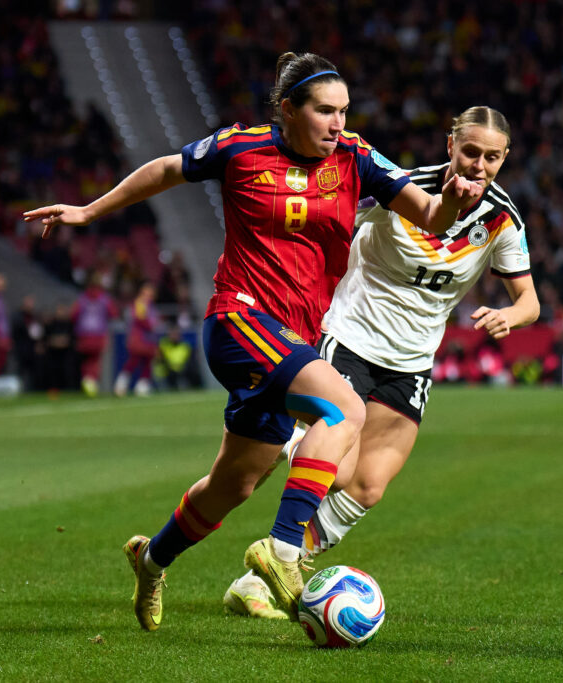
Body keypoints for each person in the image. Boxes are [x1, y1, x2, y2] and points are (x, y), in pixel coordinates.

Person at [24, 51, 481, 630]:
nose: (338, 123)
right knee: (345, 409)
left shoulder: (357, 158)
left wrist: (455, 202)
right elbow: (167, 168)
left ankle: (152, 558)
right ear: (288, 110)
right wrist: (90, 212)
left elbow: (432, 217)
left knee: (235, 482)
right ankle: (285, 550)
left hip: (294, 338)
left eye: (343, 111)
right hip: (239, 319)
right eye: (324, 111)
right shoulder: (240, 148)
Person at [222, 106, 541, 618]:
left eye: (493, 157)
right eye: (471, 152)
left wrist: (512, 315)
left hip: (412, 360)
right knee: (339, 466)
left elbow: (530, 301)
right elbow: (327, 218)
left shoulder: (502, 219)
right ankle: (275, 435)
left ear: (505, 159)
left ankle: (256, 581)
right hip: (349, 337)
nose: (480, 164)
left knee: (367, 485)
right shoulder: (399, 190)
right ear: (450, 146)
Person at [71, 273, 118, 396]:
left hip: (84, 335)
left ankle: (87, 380)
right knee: (95, 360)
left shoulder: (82, 298)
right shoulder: (104, 299)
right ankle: (90, 382)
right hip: (98, 334)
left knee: (86, 360)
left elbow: (74, 315)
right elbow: (113, 313)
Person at [113, 281, 160, 397]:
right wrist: (151, 325)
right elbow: (141, 319)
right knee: (133, 361)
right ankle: (121, 385)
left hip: (148, 339)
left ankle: (142, 387)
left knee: (147, 363)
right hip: (139, 338)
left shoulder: (150, 305)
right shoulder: (139, 303)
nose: (149, 294)